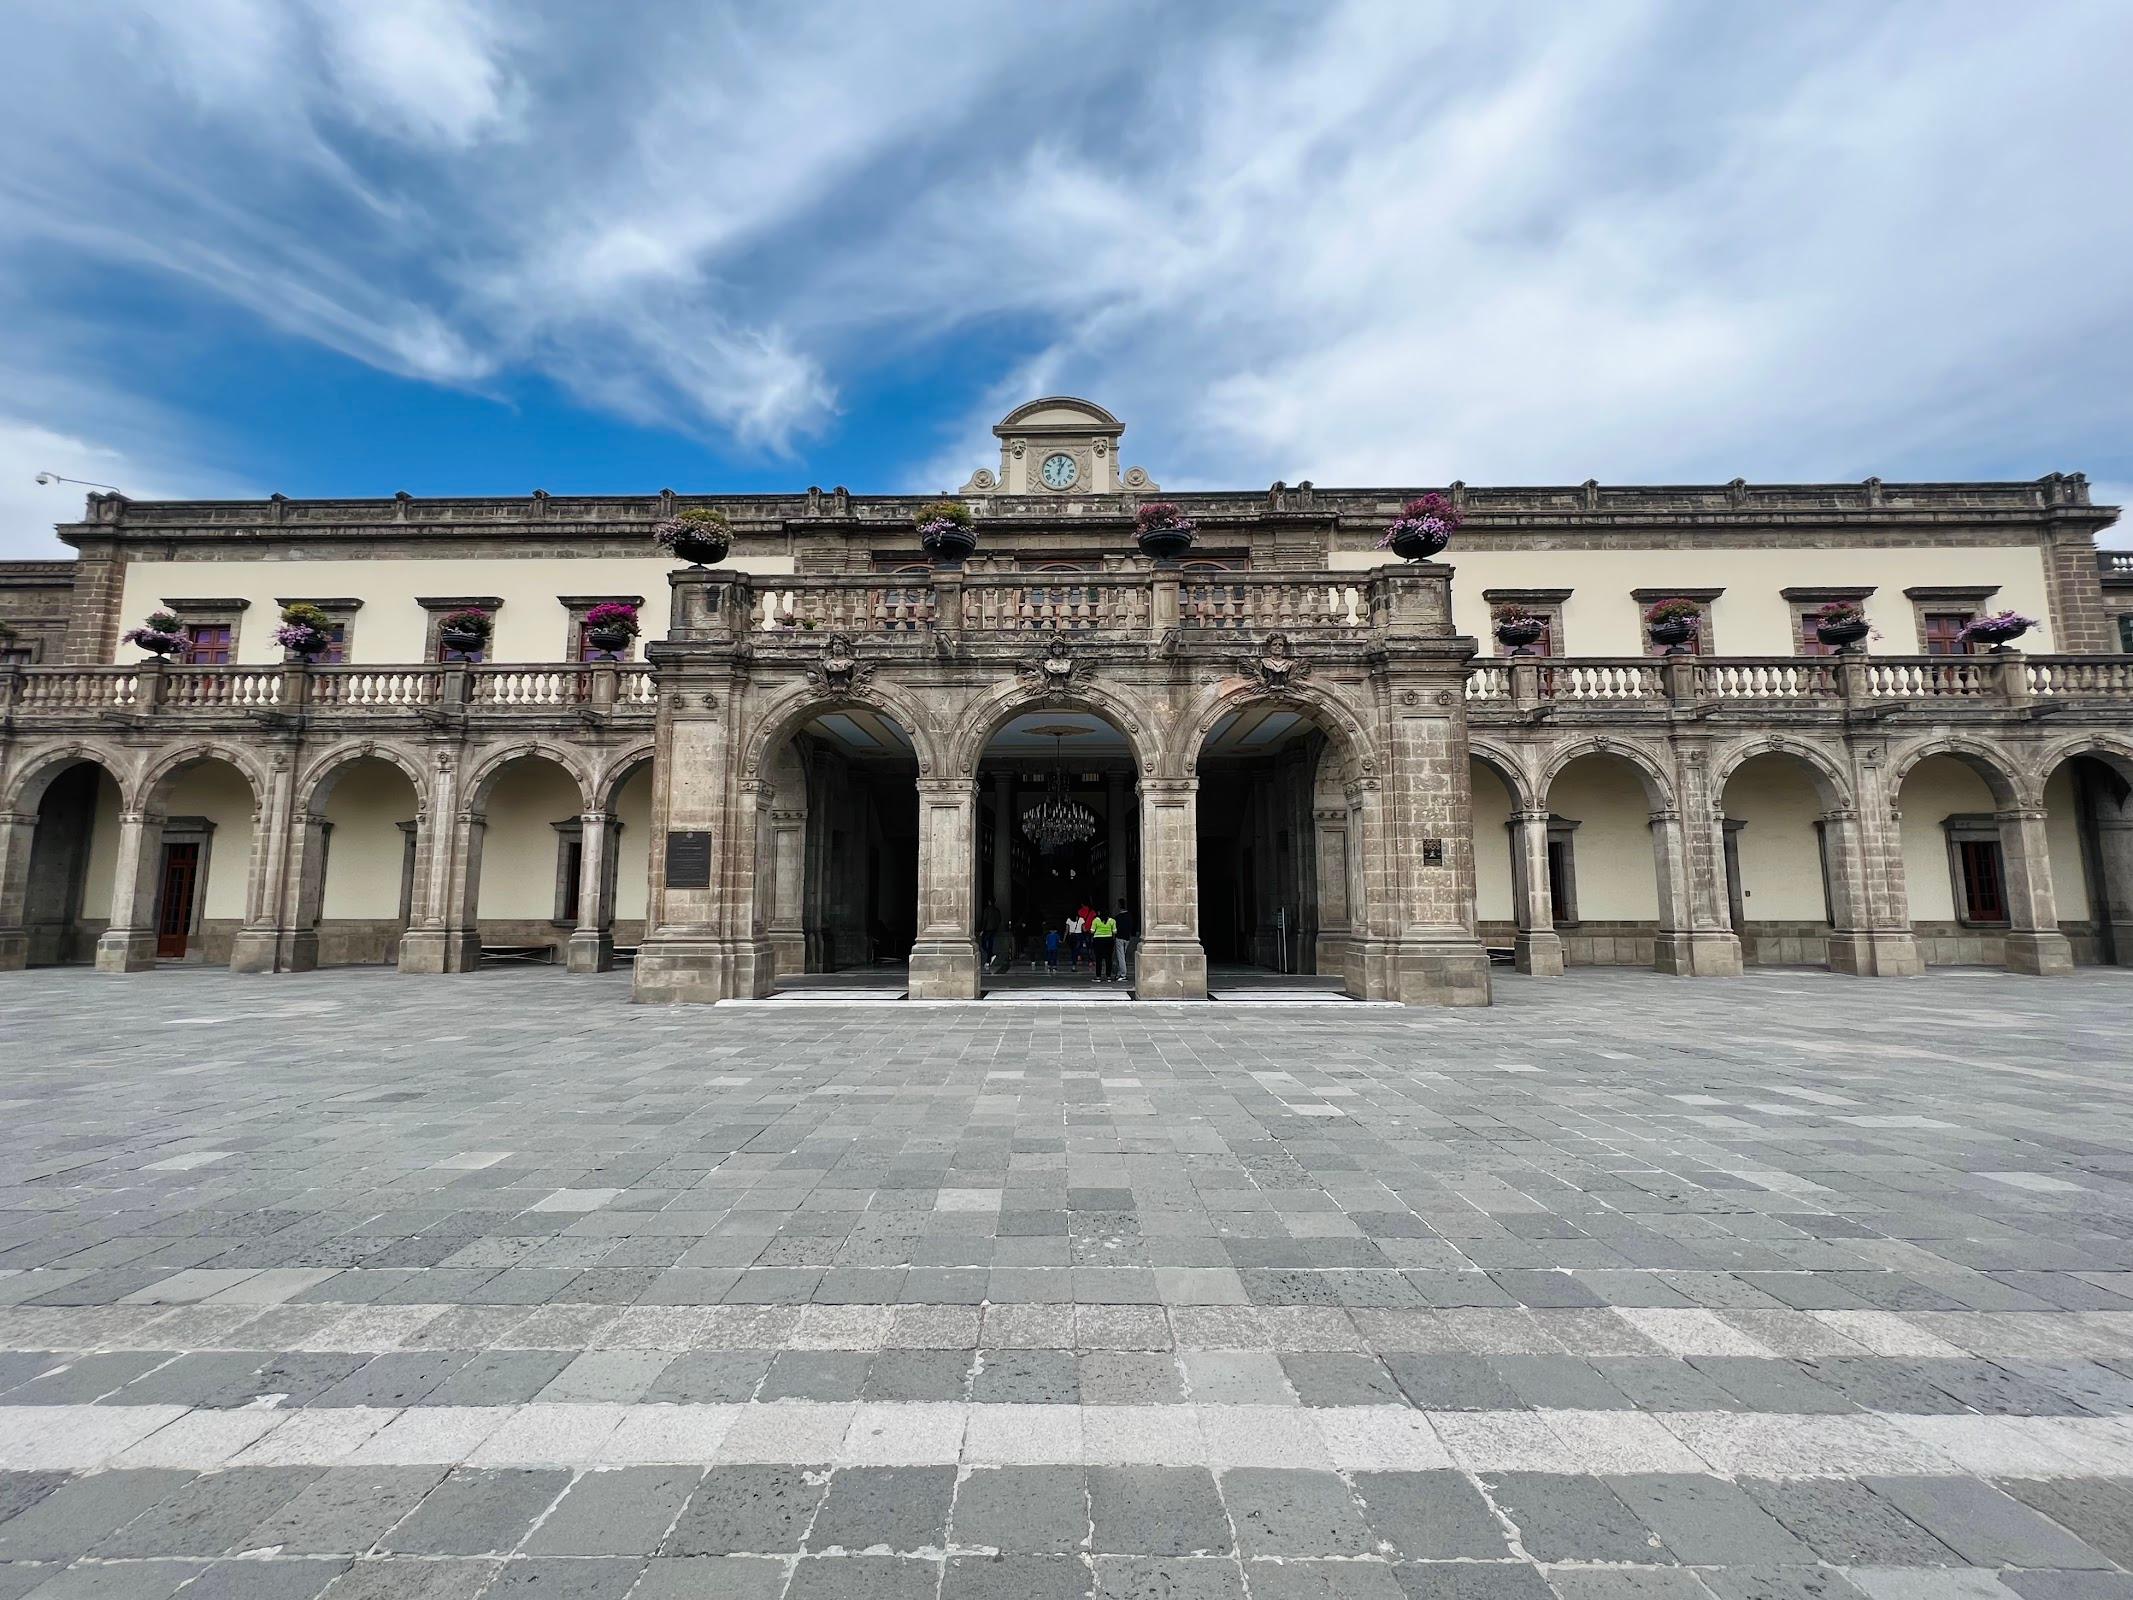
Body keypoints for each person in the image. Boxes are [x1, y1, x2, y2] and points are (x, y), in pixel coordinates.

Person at [1090, 910, 1117, 984]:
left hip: (1098, 941)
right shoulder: (1112, 921)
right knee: (1108, 959)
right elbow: (1114, 932)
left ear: (1099, 913)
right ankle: (1108, 977)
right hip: (1109, 940)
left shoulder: (1096, 920)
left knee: (1098, 959)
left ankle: (1098, 977)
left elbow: (1092, 931)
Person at [1111, 900, 1134, 984]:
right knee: (1122, 956)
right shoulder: (1129, 916)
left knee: (1120, 957)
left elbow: (1115, 929)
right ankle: (1119, 973)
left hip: (1120, 937)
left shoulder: (1118, 917)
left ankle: (1123, 974)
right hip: (1127, 937)